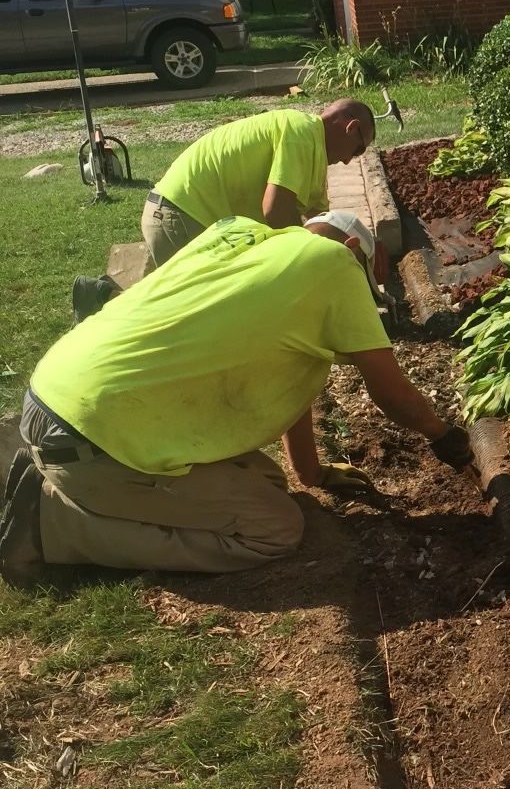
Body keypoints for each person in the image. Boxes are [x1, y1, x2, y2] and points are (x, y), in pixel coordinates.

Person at [0, 211, 473, 588]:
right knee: (274, 529)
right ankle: (48, 521)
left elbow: (292, 384)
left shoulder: (239, 235)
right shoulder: (336, 264)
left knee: (266, 479)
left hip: (60, 393)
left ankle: (62, 475)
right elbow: (388, 391)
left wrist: (310, 472)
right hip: (93, 437)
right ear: (353, 250)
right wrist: (444, 436)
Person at [141, 100, 377, 268]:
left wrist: (364, 251)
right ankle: (106, 294)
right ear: (351, 127)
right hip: (182, 216)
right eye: (358, 149)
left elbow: (325, 224)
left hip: (187, 218)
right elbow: (275, 211)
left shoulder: (312, 154)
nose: (348, 161)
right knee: (196, 316)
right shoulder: (299, 131)